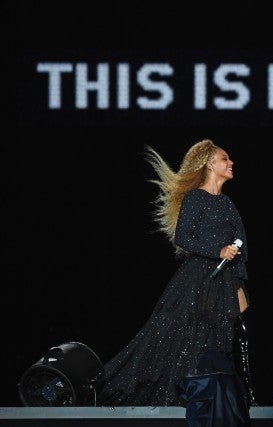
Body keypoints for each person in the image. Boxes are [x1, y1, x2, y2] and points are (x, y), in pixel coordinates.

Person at [97, 138, 257, 408]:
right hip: (199, 279)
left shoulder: (228, 203)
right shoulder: (195, 198)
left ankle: (239, 395)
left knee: (231, 336)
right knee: (182, 337)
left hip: (227, 280)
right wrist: (218, 251)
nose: (231, 163)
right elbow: (183, 238)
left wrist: (239, 280)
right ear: (209, 164)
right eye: (225, 159)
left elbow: (241, 244)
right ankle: (179, 394)